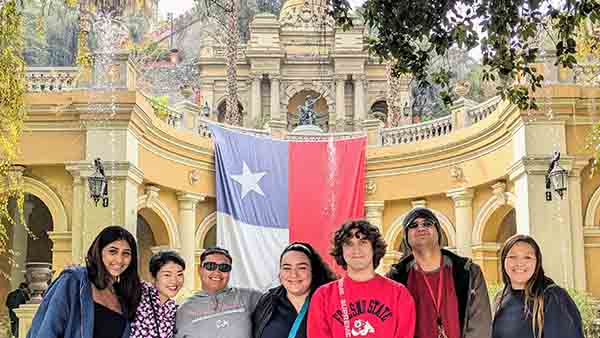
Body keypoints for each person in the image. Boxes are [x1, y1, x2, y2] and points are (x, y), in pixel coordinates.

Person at [387, 207, 492, 338]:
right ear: (406, 238)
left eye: (427, 223)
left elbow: (480, 326)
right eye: (413, 225)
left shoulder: (469, 272)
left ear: (438, 232)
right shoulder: (395, 279)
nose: (421, 228)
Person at [26, 226, 141, 338]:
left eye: (126, 253)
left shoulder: (123, 296)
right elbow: (47, 329)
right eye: (113, 251)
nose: (119, 259)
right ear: (99, 252)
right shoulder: (74, 281)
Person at [308, 220, 416, 338]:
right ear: (341, 251)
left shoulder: (399, 294)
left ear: (374, 248)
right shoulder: (323, 296)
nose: (356, 250)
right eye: (349, 244)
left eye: (363, 242)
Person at [492, 234, 584, 338]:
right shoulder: (500, 299)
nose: (519, 263)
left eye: (527, 257)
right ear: (504, 260)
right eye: (513, 257)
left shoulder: (553, 297)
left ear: (537, 262)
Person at [252, 242, 337, 338]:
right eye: (287, 268)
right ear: (280, 273)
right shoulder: (267, 301)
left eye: (301, 268)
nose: (294, 275)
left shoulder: (330, 302)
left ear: (313, 271)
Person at [175, 246, 262, 338]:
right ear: (199, 269)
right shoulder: (184, 310)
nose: (217, 272)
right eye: (210, 266)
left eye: (224, 267)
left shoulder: (249, 298)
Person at [131, 250, 185, 338]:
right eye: (167, 275)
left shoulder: (174, 309)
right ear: (153, 277)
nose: (174, 281)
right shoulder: (139, 293)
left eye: (179, 274)